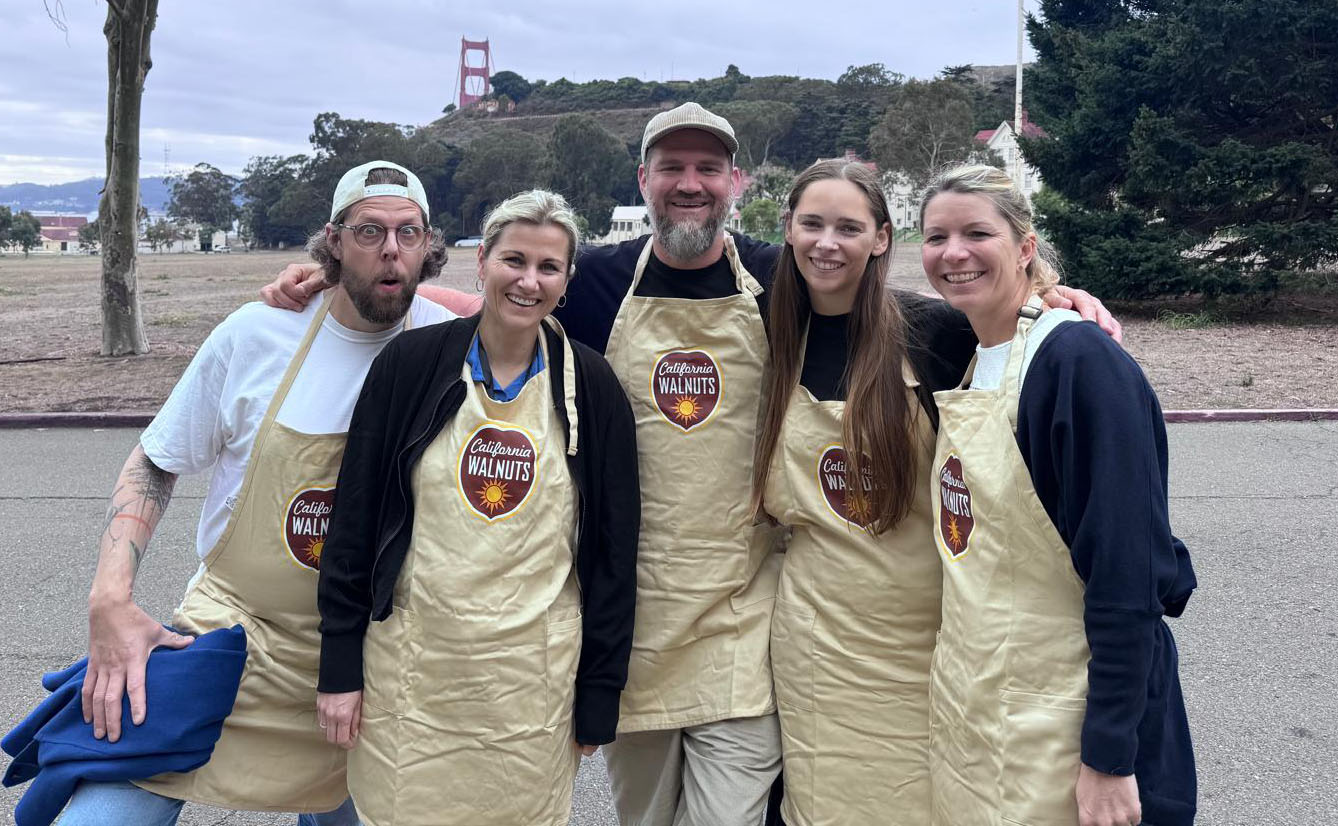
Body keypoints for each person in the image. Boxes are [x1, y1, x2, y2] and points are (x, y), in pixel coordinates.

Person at [261, 102, 1121, 826]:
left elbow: (897, 294)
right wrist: (328, 281)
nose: (690, 183)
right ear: (644, 178)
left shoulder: (777, 277)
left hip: (743, 624)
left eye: (710, 168)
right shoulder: (593, 281)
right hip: (632, 630)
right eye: (672, 165)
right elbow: (500, 299)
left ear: (735, 187)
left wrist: (1046, 294)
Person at [59, 159, 456, 825]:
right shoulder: (256, 335)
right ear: (332, 241)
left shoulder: (454, 344)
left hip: (380, 658)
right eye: (368, 232)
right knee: (103, 811)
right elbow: (156, 462)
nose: (390, 250)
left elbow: (539, 304)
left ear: (428, 245)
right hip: (240, 637)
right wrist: (110, 596)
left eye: (408, 233)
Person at [313, 190, 640, 826]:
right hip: (414, 676)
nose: (528, 281)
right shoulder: (410, 367)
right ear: (482, 261)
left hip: (530, 689)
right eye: (513, 260)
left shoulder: (594, 389)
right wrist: (339, 668)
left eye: (549, 267)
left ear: (567, 281)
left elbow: (613, 553)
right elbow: (354, 523)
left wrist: (599, 694)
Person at [919, 164, 1197, 826]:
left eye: (976, 232)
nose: (953, 253)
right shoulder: (966, 348)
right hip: (985, 709)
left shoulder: (1077, 362)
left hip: (1068, 719)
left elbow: (1127, 576)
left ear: (1024, 246)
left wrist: (1110, 757)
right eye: (935, 237)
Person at [751, 158, 975, 825]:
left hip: (924, 632)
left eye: (849, 227)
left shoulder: (937, 333)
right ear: (788, 229)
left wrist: (1061, 301)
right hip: (815, 637)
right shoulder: (763, 330)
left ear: (881, 237)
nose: (828, 242)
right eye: (812, 223)